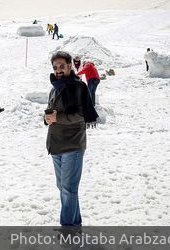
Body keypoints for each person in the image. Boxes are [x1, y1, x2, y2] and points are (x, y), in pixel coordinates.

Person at [45, 51, 98, 227]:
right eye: (55, 67)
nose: (58, 69)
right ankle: (75, 225)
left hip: (73, 144)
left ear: (69, 66)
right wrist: (47, 119)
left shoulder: (78, 87)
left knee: (68, 189)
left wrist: (57, 118)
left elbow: (80, 115)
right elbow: (51, 111)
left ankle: (68, 229)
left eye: (61, 66)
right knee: (63, 188)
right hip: (56, 144)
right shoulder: (55, 88)